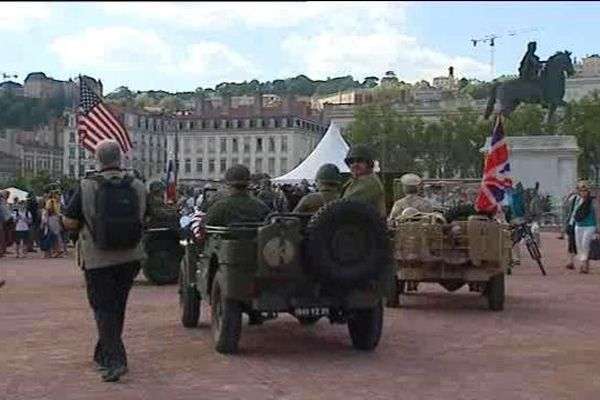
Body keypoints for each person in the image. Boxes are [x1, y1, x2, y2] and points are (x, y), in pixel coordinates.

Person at [63, 139, 149, 382]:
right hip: (131, 255)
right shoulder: (138, 185)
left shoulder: (87, 185)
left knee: (103, 309)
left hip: (97, 257)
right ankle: (103, 353)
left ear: (98, 160)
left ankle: (115, 360)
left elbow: (69, 222)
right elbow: (146, 215)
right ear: (119, 159)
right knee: (117, 306)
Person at [204, 164, 270, 227]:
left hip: (225, 238)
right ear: (248, 183)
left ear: (227, 183)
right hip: (254, 238)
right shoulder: (261, 207)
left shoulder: (219, 207)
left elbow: (204, 227)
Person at [340, 144, 386, 216]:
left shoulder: (369, 182)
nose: (355, 164)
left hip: (367, 225)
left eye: (360, 161)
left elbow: (345, 206)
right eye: (351, 161)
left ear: (369, 163)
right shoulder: (357, 181)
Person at [568, 181, 600, 274]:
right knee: (579, 246)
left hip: (589, 226)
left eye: (585, 190)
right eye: (581, 190)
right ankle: (583, 263)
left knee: (585, 245)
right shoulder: (577, 200)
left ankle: (584, 265)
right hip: (578, 225)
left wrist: (598, 225)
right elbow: (568, 207)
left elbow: (597, 213)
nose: (583, 192)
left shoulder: (593, 201)